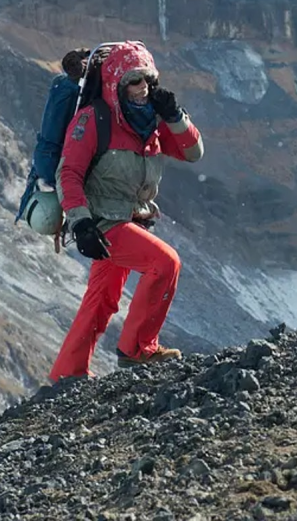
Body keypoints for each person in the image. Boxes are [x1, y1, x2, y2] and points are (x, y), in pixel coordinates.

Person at [49, 40, 203, 380]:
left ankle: (66, 376)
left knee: (101, 299)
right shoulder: (93, 119)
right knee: (165, 263)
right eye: (134, 81)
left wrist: (175, 117)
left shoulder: (152, 121)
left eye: (147, 80)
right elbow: (69, 173)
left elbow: (193, 152)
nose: (142, 88)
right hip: (103, 222)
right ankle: (138, 350)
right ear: (116, 83)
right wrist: (81, 223)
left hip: (131, 219)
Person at [16, 48, 90, 232]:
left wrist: (71, 80)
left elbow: (53, 127)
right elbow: (52, 125)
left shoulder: (56, 177)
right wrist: (69, 80)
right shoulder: (47, 170)